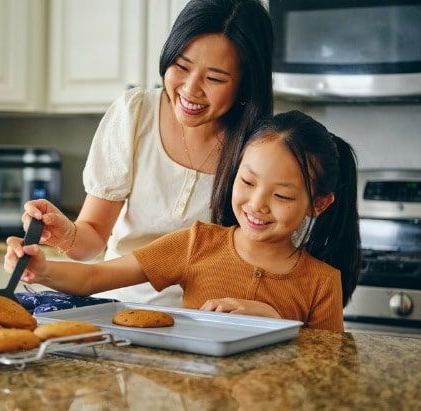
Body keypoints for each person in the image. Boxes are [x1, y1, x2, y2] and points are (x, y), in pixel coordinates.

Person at [5, 111, 361, 332]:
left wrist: (276, 322)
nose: (257, 204)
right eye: (248, 182)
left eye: (281, 196)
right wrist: (43, 268)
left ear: (318, 204)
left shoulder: (321, 282)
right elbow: (96, 276)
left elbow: (327, 375)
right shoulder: (197, 243)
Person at [18, 0, 275, 306]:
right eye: (181, 66)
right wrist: (65, 233)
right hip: (117, 309)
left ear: (246, 84)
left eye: (215, 78)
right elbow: (94, 236)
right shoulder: (136, 114)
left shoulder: (263, 147)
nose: (190, 89)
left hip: (209, 318)